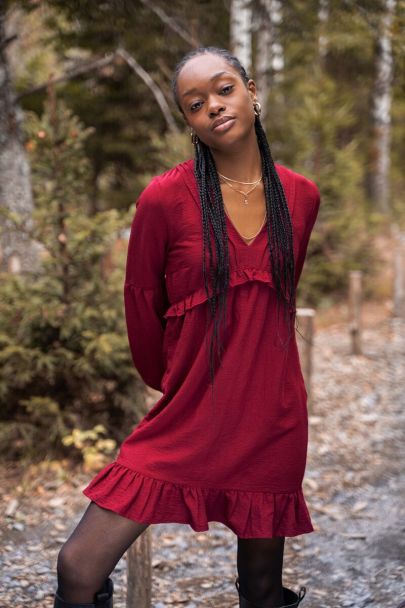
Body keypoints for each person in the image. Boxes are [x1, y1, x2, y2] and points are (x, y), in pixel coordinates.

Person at [53, 46, 321, 608]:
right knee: (78, 567)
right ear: (189, 123)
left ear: (252, 90)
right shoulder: (164, 198)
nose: (214, 107)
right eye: (196, 104)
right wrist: (181, 384)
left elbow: (277, 306)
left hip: (270, 418)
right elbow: (142, 308)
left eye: (224, 89)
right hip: (190, 412)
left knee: (264, 590)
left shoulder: (300, 197)